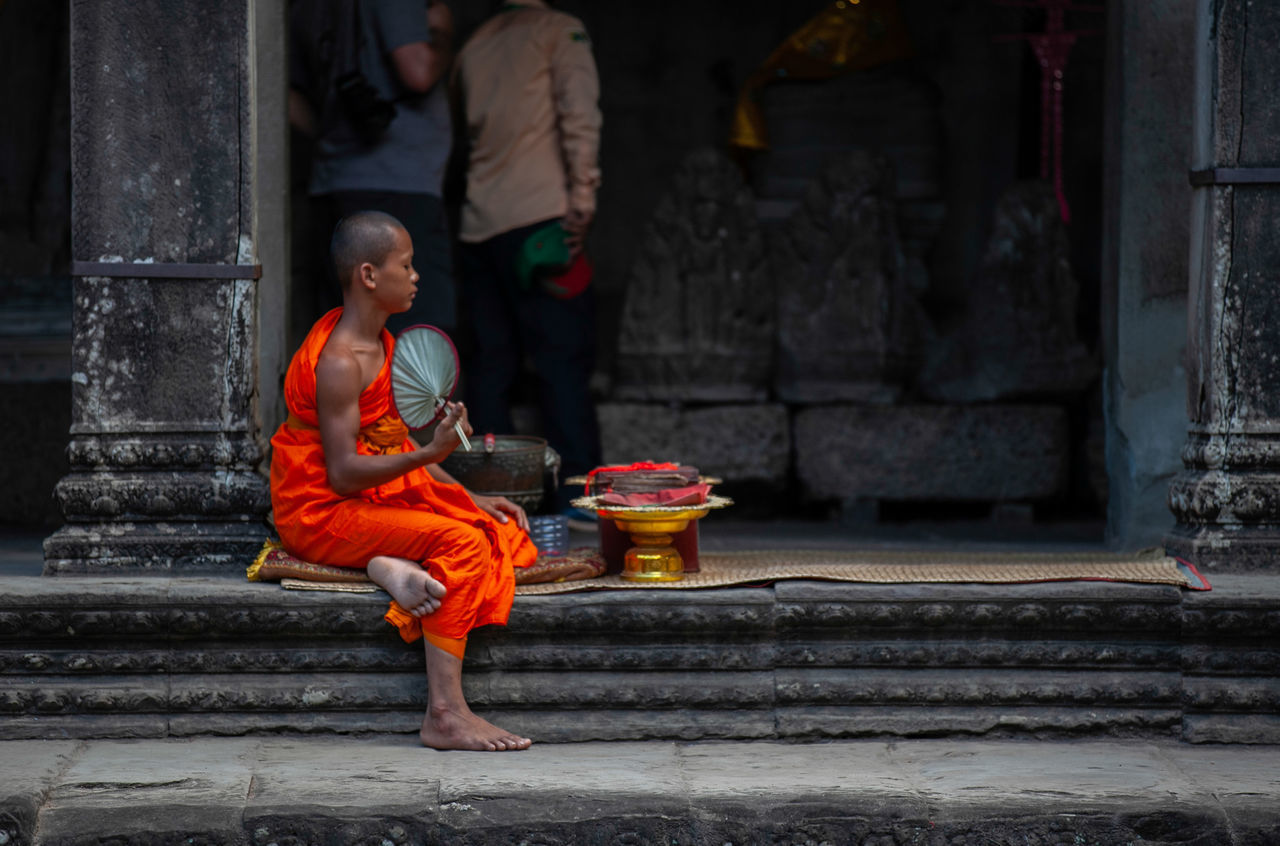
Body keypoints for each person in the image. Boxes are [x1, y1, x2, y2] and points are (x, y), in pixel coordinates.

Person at [270, 210, 537, 751]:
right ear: (369, 275)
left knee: (496, 529)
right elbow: (343, 473)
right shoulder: (341, 362)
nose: (417, 276)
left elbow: (394, 444)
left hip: (365, 498)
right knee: (463, 542)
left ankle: (389, 565)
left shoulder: (384, 346)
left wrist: (469, 492)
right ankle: (445, 713)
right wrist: (434, 453)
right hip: (321, 512)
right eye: (407, 265)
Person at [453, 0, 603, 527]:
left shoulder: (472, 46)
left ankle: (494, 494)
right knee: (562, 356)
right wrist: (582, 200)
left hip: (479, 223)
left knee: (492, 362)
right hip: (542, 222)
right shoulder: (560, 30)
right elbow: (579, 114)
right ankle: (577, 486)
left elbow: (464, 132)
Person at [289, 0, 457, 335]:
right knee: (415, 338)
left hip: (333, 189)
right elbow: (418, 71)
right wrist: (443, 32)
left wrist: (333, 139)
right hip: (399, 194)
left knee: (347, 333)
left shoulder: (305, 8)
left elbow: (287, 99)